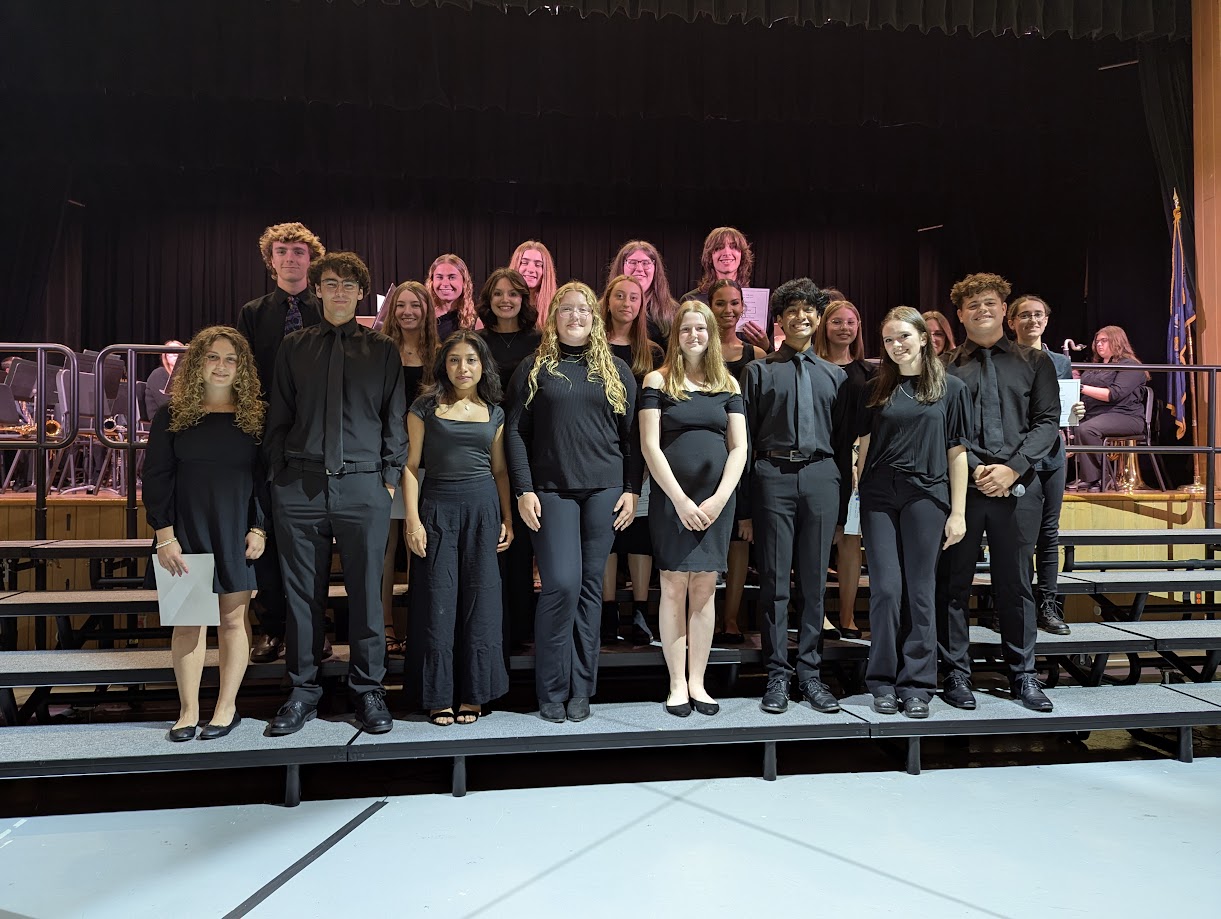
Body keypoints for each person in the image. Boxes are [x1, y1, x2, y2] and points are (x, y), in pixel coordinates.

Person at [264, 251, 407, 736]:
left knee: (368, 594)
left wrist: (387, 479)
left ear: (361, 292)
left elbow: (394, 419)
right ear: (317, 290)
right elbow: (278, 417)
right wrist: (279, 475)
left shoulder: (383, 350)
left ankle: (368, 688)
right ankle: (303, 691)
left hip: (364, 485)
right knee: (302, 596)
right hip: (299, 487)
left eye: (349, 284)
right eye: (331, 283)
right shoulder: (293, 347)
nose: (340, 291)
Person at [506, 282, 641, 724]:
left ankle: (581, 690)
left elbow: (631, 439)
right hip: (551, 490)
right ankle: (550, 688)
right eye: (567, 309)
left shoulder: (617, 370)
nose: (576, 316)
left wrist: (631, 489)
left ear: (594, 317)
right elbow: (515, 434)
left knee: (588, 589)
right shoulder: (534, 367)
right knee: (560, 583)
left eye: (584, 309)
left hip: (604, 491)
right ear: (554, 316)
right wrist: (524, 489)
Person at [937, 273, 1060, 713]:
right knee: (953, 586)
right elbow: (941, 428)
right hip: (962, 491)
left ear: (1002, 309)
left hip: (1019, 488)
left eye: (989, 303)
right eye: (972, 305)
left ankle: (1023, 675)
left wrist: (1011, 469)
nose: (982, 310)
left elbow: (1046, 423)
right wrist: (975, 470)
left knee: (1017, 585)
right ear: (960, 313)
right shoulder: (945, 366)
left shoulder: (1035, 361)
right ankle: (955, 673)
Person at [143, 326, 267, 742]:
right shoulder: (172, 414)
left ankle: (226, 707)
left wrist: (259, 527)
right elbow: (156, 478)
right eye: (213, 357)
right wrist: (164, 535)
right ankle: (188, 711)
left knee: (234, 621)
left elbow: (263, 480)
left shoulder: (254, 418)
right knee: (187, 624)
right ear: (198, 362)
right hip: (184, 531)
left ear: (242, 367)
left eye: (231, 359)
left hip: (235, 529)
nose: (221, 366)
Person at [738, 278, 856, 715]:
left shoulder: (836, 377)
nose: (802, 317)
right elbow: (745, 442)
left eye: (809, 311)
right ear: (780, 320)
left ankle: (810, 674)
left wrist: (842, 506)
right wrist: (747, 508)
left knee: (811, 583)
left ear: (818, 318)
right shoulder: (759, 371)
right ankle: (777, 675)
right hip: (773, 475)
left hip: (822, 476)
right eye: (793, 311)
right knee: (773, 583)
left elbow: (843, 445)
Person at [856, 308, 969, 718]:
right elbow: (865, 446)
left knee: (921, 593)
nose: (896, 345)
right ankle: (882, 681)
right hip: (879, 496)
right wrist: (857, 492)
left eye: (903, 336)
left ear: (924, 338)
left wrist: (958, 512)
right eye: (888, 340)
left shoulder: (951, 389)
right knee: (887, 589)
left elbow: (958, 454)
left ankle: (918, 684)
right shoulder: (876, 389)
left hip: (927, 495)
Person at [640, 302, 748, 717]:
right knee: (672, 587)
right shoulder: (658, 379)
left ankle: (699, 682)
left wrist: (720, 499)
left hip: (717, 500)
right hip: (673, 499)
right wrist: (680, 500)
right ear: (676, 336)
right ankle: (676, 684)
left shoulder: (729, 384)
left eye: (700, 328)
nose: (694, 335)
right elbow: (650, 445)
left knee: (704, 590)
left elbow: (739, 448)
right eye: (686, 329)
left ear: (711, 334)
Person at [403, 332, 513, 725]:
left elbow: (500, 470)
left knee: (481, 602)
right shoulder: (423, 408)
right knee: (438, 600)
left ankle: (474, 692)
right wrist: (412, 521)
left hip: (484, 511)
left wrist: (508, 518)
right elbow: (411, 467)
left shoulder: (495, 412)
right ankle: (438, 694)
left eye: (470, 360)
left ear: (482, 366)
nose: (462, 368)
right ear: (442, 365)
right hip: (437, 511)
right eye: (453, 360)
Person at [236, 221, 326, 664]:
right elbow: (246, 375)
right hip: (268, 434)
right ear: (270, 261)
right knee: (264, 528)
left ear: (311, 259)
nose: (290, 258)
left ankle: (312, 628)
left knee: (312, 535)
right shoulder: (254, 313)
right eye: (282, 251)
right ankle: (272, 627)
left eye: (298, 251)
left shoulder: (327, 308)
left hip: (316, 435)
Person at [1008, 295, 1083, 635]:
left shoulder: (1059, 362)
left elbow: (1061, 409)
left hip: (1052, 456)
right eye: (1024, 315)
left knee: (1048, 535)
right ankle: (1012, 606)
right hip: (1017, 459)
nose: (1032, 320)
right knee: (1018, 538)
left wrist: (1076, 413)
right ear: (1012, 322)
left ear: (1047, 320)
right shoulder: (1003, 360)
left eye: (1038, 315)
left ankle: (1047, 605)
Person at [477, 268, 542, 647]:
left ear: (523, 299)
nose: (505, 299)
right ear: (488, 299)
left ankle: (519, 629)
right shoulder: (477, 341)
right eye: (498, 293)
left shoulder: (539, 341)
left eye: (513, 294)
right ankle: (489, 627)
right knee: (491, 537)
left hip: (525, 445)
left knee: (521, 542)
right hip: (482, 444)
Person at [600, 273, 663, 645]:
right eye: (619, 296)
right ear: (607, 301)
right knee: (608, 533)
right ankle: (608, 611)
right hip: (603, 449)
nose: (626, 303)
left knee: (639, 533)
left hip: (643, 449)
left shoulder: (651, 351)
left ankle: (640, 610)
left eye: (634, 298)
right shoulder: (594, 348)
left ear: (642, 305)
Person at [380, 281, 440, 655]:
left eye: (415, 305)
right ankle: (386, 625)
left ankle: (420, 624)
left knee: (420, 543)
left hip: (426, 461)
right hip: (387, 458)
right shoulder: (381, 351)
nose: (407, 312)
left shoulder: (438, 355)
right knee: (386, 548)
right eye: (400, 305)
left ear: (426, 311)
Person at [813, 299, 875, 639]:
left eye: (850, 322)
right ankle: (819, 615)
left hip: (854, 465)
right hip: (822, 461)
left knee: (851, 541)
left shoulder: (869, 374)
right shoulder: (811, 367)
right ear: (825, 326)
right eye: (836, 321)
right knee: (821, 542)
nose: (844, 328)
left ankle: (848, 617)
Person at [707, 279, 765, 643]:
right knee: (709, 537)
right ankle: (705, 617)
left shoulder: (756, 356)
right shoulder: (695, 350)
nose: (728, 311)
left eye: (734, 304)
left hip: (743, 455)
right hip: (708, 454)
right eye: (720, 303)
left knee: (740, 540)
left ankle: (730, 618)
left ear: (743, 307)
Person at [1069, 325, 1149, 492]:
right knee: (1061, 425)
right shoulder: (1094, 367)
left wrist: (1080, 386)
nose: (1099, 345)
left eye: (1104, 341)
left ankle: (1101, 478)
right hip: (1096, 415)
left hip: (1126, 416)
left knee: (1087, 429)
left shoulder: (1131, 366)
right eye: (1097, 341)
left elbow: (1114, 394)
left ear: (1117, 341)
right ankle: (1086, 477)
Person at [680, 227, 770, 353]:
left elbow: (773, 354)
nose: (726, 252)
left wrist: (766, 346)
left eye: (733, 247)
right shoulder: (691, 300)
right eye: (718, 248)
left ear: (742, 255)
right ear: (710, 256)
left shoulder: (760, 301)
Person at [608, 240, 680, 350]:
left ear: (655, 268)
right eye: (632, 262)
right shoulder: (602, 308)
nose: (639, 269)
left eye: (646, 263)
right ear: (621, 266)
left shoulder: (672, 311)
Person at [509, 240, 558, 331]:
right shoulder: (500, 305)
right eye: (524, 262)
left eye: (538, 264)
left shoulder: (557, 309)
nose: (531, 269)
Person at [427, 254, 478, 339]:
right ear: (432, 281)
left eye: (452, 277)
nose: (445, 283)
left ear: (464, 281)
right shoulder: (423, 316)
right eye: (439, 277)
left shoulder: (474, 322)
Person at [144, 340, 184, 419]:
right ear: (165, 357)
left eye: (178, 351)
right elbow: (165, 404)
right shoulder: (158, 374)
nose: (175, 354)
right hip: (162, 419)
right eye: (171, 352)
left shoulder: (187, 375)